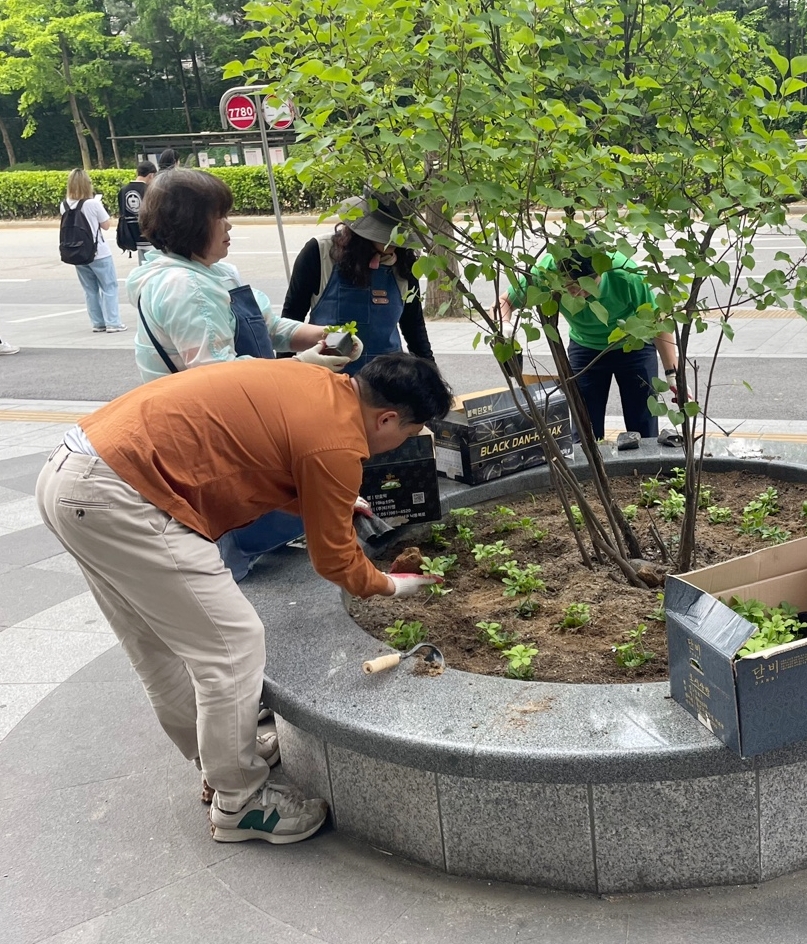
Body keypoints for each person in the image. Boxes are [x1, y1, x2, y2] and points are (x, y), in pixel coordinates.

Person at [35, 353, 453, 845]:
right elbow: (336, 563)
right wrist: (394, 584)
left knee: (158, 646)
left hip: (74, 474)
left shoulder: (314, 383)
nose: (398, 445)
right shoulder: (337, 442)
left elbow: (262, 456)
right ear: (386, 418)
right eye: (407, 434)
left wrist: (333, 498)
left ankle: (217, 761)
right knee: (232, 645)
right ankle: (241, 801)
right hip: (122, 495)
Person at [128, 168, 364, 580]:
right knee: (232, 531)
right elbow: (215, 378)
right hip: (209, 430)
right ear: (189, 224)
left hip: (246, 412)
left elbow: (271, 327)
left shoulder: (217, 273)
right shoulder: (184, 287)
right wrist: (303, 368)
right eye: (219, 216)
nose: (229, 224)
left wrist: (326, 335)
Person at [495, 244, 679, 441]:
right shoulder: (545, 273)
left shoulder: (625, 274)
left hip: (633, 346)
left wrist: (673, 374)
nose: (577, 293)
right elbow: (504, 303)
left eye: (588, 285)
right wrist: (505, 328)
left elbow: (658, 321)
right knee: (584, 428)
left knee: (643, 421)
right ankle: (590, 471)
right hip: (585, 347)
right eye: (571, 286)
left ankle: (646, 469)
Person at [281, 190, 434, 375]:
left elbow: (414, 326)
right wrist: (283, 376)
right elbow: (291, 320)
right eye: (386, 232)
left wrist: (432, 378)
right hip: (328, 379)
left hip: (386, 384)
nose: (394, 242)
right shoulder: (319, 253)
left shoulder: (405, 263)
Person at [60, 169, 125, 333]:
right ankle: (113, 322)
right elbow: (106, 225)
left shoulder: (64, 205)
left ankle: (98, 323)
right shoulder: (93, 204)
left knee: (90, 290)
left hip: (78, 253)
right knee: (109, 286)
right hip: (99, 252)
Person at [116, 161, 156, 264]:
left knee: (142, 266)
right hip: (149, 236)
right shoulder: (150, 190)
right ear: (151, 175)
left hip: (130, 234)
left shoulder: (123, 190)